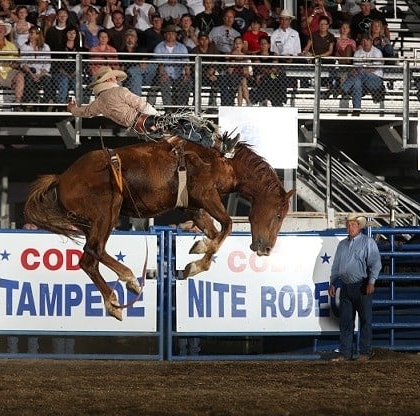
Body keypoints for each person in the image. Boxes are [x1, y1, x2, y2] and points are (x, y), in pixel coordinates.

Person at [67, 66, 240, 154]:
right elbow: (141, 104)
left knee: (181, 125)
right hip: (146, 121)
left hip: (138, 128)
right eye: (113, 76)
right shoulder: (120, 91)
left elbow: (83, 112)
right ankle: (218, 145)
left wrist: (72, 109)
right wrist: (160, 118)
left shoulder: (99, 103)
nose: (115, 78)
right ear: (110, 79)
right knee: (185, 121)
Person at [328, 213, 382, 361]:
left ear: (359, 226)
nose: (350, 227)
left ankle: (364, 352)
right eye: (348, 225)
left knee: (365, 320)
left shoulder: (367, 242)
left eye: (353, 225)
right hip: (345, 286)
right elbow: (336, 266)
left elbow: (375, 263)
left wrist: (371, 281)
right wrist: (332, 282)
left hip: (362, 285)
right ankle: (346, 353)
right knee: (346, 321)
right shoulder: (342, 244)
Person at [341, 32, 384, 116]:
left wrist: (361, 70)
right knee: (357, 82)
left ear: (371, 41)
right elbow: (355, 70)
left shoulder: (377, 52)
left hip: (375, 80)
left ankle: (343, 89)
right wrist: (356, 71)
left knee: (359, 72)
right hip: (361, 82)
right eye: (363, 40)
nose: (365, 42)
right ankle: (356, 110)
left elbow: (374, 68)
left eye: (367, 40)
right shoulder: (357, 53)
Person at [154, 24, 192, 110]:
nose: (170, 35)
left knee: (187, 82)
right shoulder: (159, 47)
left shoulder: (182, 47)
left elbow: (186, 64)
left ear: (176, 35)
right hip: (165, 73)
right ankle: (169, 110)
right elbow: (159, 65)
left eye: (173, 33)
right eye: (168, 33)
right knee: (164, 82)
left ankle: (181, 108)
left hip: (179, 74)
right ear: (165, 35)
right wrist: (163, 74)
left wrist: (186, 74)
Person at [20, 25, 55, 109]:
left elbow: (47, 63)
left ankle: (47, 102)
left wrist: (40, 74)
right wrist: (32, 74)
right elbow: (23, 63)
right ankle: (30, 100)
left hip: (42, 72)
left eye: (33, 33)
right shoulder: (25, 46)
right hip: (29, 71)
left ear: (38, 35)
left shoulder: (45, 47)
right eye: (30, 33)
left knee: (47, 80)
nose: (31, 35)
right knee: (29, 79)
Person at [121, 28, 156, 97]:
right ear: (125, 39)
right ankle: (137, 102)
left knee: (153, 64)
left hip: (146, 78)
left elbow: (147, 62)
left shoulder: (141, 49)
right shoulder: (122, 52)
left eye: (132, 37)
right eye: (128, 37)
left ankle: (133, 71)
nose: (130, 39)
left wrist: (144, 61)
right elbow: (121, 68)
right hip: (129, 79)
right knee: (136, 77)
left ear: (136, 39)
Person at [0, 19, 24, 109]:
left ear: (5, 31)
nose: (1, 30)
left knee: (20, 76)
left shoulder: (11, 45)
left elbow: (17, 61)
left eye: (2, 28)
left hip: (9, 71)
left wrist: (11, 65)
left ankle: (17, 104)